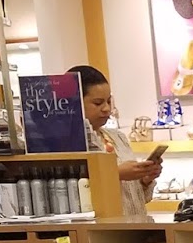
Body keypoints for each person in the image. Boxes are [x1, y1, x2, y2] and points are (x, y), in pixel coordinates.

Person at [69, 65, 160, 220]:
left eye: (109, 101)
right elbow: (75, 195)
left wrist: (145, 179)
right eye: (98, 103)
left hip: (136, 225)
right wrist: (116, 174)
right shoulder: (68, 143)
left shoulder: (118, 137)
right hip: (103, 229)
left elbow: (137, 199)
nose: (106, 109)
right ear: (75, 104)